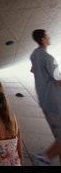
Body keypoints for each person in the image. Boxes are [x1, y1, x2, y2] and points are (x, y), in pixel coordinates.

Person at [30, 29, 61, 165]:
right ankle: (44, 158)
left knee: (58, 138)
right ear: (43, 39)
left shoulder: (34, 55)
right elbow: (58, 80)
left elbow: (35, 71)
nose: (49, 37)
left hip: (45, 102)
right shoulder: (49, 59)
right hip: (56, 103)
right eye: (47, 36)